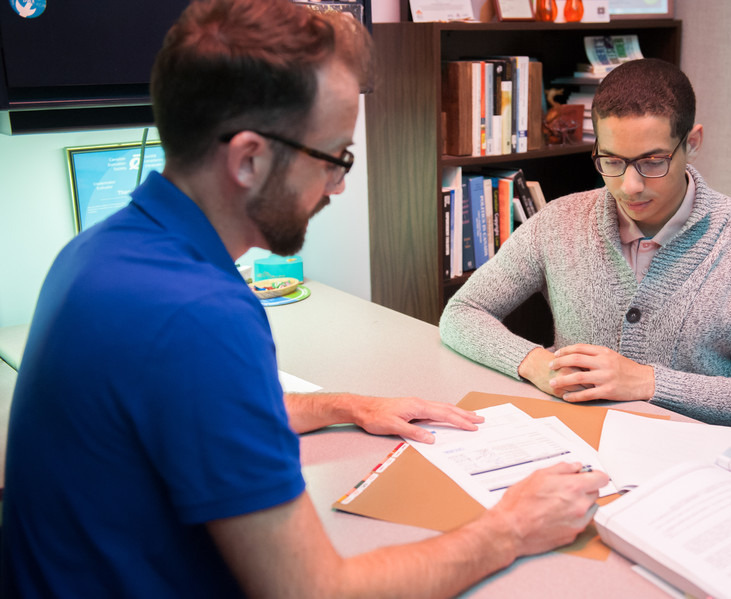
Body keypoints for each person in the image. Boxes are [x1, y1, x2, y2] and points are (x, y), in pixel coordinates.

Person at [0, 1, 608, 597]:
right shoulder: (199, 316)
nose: (339, 187)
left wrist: (346, 405)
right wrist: (510, 528)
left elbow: (199, 408)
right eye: (333, 159)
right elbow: (314, 589)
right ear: (248, 159)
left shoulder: (99, 251)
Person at [440, 58, 731, 431]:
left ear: (691, 143)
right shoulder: (559, 221)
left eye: (652, 161)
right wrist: (535, 363)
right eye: (611, 160)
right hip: (576, 444)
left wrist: (645, 382)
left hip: (695, 460)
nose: (630, 186)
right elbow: (462, 312)